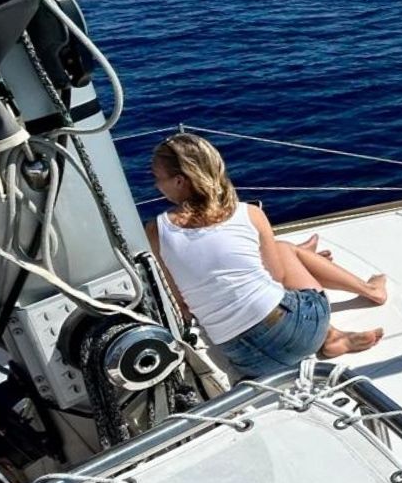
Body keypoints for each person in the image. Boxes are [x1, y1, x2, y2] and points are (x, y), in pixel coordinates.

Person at [147, 133, 385, 378]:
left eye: (157, 178)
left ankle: (328, 320)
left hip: (248, 360)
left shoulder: (156, 230)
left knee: (278, 261)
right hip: (304, 333)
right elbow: (278, 277)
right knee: (282, 250)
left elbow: (181, 303)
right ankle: (368, 292)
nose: (156, 185)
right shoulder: (249, 214)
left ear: (179, 181)